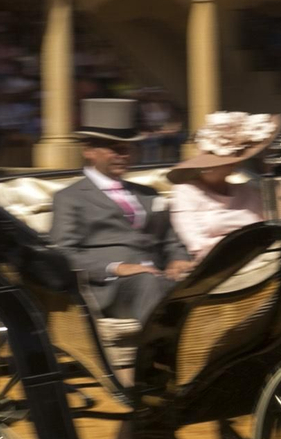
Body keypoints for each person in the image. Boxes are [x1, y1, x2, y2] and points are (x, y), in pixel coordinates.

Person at [50, 98, 191, 322]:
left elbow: (171, 240)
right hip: (111, 288)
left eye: (127, 149)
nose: (123, 155)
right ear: (89, 150)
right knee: (147, 283)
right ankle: (161, 353)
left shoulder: (147, 193)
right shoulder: (69, 198)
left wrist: (178, 259)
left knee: (203, 281)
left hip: (159, 277)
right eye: (115, 149)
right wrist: (116, 267)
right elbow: (63, 254)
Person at [167, 111, 279, 261]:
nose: (207, 168)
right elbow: (196, 243)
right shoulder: (186, 192)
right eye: (205, 163)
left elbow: (273, 228)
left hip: (263, 258)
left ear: (232, 165)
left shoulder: (249, 191)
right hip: (218, 264)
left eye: (216, 164)